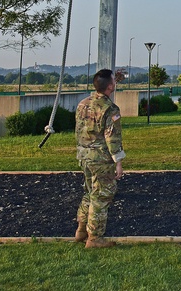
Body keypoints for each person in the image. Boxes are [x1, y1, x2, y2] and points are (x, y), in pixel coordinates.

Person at [74, 68, 126, 248]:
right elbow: (112, 138)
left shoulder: (83, 104)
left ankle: (81, 229)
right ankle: (94, 237)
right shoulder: (110, 109)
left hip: (84, 156)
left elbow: (79, 131)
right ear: (110, 87)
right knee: (102, 195)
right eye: (114, 81)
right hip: (101, 159)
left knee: (89, 191)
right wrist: (118, 162)